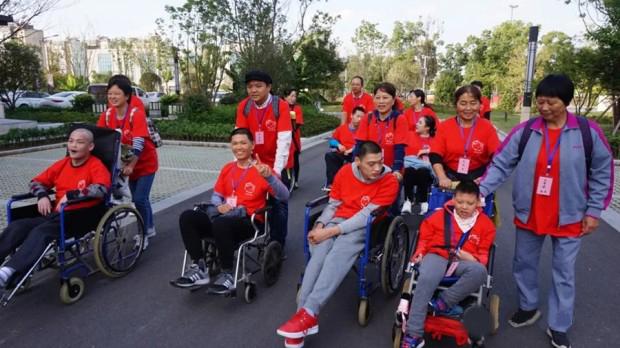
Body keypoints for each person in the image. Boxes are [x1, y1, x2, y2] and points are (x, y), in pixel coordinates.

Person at [478, 74, 614, 348]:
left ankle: (558, 325)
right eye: (540, 102)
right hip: (531, 212)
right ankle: (529, 306)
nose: (544, 108)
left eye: (551, 102)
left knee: (563, 272)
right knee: (523, 263)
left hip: (570, 215)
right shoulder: (526, 131)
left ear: (566, 102)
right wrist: (477, 191)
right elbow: (502, 164)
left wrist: (594, 211)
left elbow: (602, 172)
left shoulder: (587, 132)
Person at [276, 141, 399, 348]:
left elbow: (364, 216)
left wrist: (330, 231)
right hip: (336, 221)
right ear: (357, 161)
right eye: (371, 164)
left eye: (380, 162)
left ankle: (309, 312)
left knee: (337, 252)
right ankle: (302, 316)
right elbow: (333, 205)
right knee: (320, 251)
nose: (377, 168)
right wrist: (320, 225)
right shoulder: (344, 172)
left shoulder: (389, 181)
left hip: (365, 227)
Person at [171, 128, 289, 291]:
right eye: (234, 143)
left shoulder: (262, 169)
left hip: (248, 222)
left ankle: (227, 274)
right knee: (187, 216)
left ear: (252, 145)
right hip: (223, 216)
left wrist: (269, 177)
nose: (239, 147)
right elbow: (216, 195)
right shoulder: (228, 168)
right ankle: (200, 268)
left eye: (243, 143)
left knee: (221, 223)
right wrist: (219, 205)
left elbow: (284, 196)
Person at [0, 128, 110, 288]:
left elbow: (102, 189)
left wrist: (73, 194)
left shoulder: (95, 165)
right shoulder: (62, 164)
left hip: (81, 216)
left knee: (41, 232)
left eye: (80, 142)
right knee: (18, 226)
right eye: (71, 141)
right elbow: (35, 182)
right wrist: (42, 195)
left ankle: (10, 270)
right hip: (56, 214)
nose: (74, 145)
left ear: (91, 146)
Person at [400, 181, 496, 348]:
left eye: (470, 203)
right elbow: (424, 239)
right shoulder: (437, 216)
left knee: (480, 271)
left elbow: (483, 256)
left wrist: (470, 258)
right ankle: (413, 334)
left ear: (478, 203)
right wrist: (420, 253)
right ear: (453, 199)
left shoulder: (486, 225)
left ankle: (443, 302)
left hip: (464, 262)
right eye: (460, 202)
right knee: (427, 278)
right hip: (437, 255)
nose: (464, 206)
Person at [97, 74, 159, 249]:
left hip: (144, 163)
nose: (113, 97)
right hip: (125, 165)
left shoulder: (135, 113)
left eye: (117, 94)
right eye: (110, 94)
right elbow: (99, 138)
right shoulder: (107, 115)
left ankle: (143, 233)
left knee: (139, 199)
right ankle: (150, 226)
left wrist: (132, 165)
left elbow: (139, 141)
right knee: (141, 199)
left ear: (127, 95)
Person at [235, 70, 292, 250]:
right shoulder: (244, 106)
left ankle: (277, 243)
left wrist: (275, 172)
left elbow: (284, 140)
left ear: (269, 87)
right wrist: (239, 166)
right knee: (248, 198)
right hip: (253, 164)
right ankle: (249, 234)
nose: (253, 90)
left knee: (278, 204)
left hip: (278, 163)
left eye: (258, 86)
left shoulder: (280, 106)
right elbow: (240, 138)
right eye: (250, 86)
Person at [430, 85, 500, 188]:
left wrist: (486, 177)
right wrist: (442, 177)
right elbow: (435, 155)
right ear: (456, 105)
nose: (468, 108)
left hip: (478, 179)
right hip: (450, 178)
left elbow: (497, 157)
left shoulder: (487, 127)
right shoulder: (444, 127)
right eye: (463, 103)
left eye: (473, 103)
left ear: (480, 105)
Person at [355, 82, 408, 181]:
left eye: (385, 98)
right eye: (378, 98)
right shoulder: (368, 117)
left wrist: (396, 169)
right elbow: (359, 144)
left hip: (391, 171)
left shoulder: (399, 119)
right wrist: (355, 165)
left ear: (393, 101)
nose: (381, 101)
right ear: (373, 99)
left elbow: (399, 148)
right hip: (369, 172)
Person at [401, 115, 437, 215]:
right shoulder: (409, 135)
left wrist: (426, 151)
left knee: (423, 171)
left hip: (426, 171)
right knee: (409, 171)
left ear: (427, 128)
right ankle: (408, 201)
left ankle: (423, 202)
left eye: (420, 123)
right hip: (410, 167)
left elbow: (441, 151)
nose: (416, 124)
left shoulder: (435, 140)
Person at [323, 105, 364, 190]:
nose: (360, 119)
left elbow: (364, 143)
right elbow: (332, 140)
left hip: (356, 154)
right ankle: (331, 183)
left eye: (362, 117)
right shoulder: (342, 129)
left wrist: (352, 149)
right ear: (352, 115)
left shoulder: (364, 130)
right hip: (342, 152)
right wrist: (338, 145)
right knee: (330, 156)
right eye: (358, 116)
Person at [283, 89, 304, 190]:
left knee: (295, 160)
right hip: (283, 138)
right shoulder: (281, 107)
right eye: (291, 96)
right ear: (285, 97)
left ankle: (295, 180)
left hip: (293, 138)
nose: (293, 98)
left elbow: (298, 124)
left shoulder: (297, 108)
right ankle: (285, 179)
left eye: (295, 96)